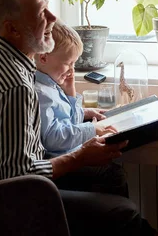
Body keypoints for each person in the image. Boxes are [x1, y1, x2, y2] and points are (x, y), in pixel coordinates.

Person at [0, 0, 157, 236]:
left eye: (47, 7)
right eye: (41, 13)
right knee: (121, 213)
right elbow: (20, 175)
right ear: (12, 29)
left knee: (107, 173)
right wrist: (79, 156)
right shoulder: (16, 87)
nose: (52, 16)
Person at [35, 20, 127, 197]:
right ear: (43, 58)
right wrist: (92, 129)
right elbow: (53, 138)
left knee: (113, 169)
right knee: (112, 173)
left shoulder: (52, 85)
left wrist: (72, 95)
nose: (71, 70)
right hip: (58, 164)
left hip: (69, 152)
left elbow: (67, 120)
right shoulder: (41, 94)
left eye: (74, 64)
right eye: (68, 63)